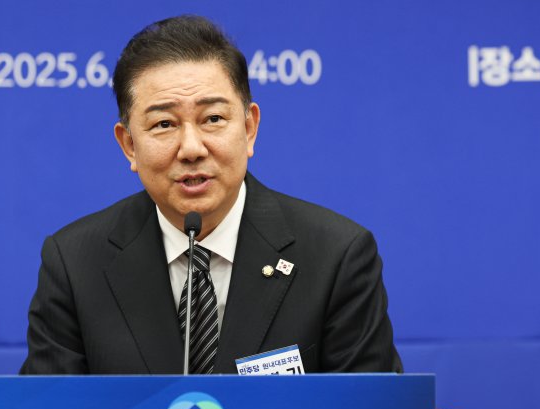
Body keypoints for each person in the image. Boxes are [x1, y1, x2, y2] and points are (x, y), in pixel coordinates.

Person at [20, 15, 402, 375]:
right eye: (164, 124)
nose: (191, 148)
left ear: (249, 129)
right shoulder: (75, 265)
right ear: (129, 145)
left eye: (213, 119)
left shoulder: (335, 257)